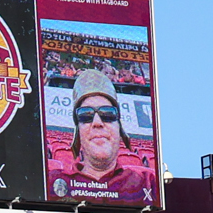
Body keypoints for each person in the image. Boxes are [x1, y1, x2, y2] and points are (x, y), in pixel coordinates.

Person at [47, 69, 154, 205]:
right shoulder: (51, 183)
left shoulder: (148, 183)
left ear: (119, 127)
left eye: (107, 114)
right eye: (86, 115)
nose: (97, 123)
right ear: (77, 131)